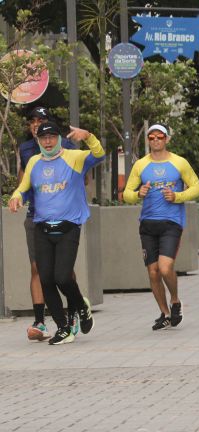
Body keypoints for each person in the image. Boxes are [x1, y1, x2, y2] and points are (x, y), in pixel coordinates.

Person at [9, 122, 105, 345]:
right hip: (42, 227)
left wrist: (88, 135)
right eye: (44, 138)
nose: (48, 141)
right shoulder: (34, 161)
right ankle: (63, 328)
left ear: (59, 139)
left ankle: (81, 306)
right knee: (46, 279)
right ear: (39, 141)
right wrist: (16, 197)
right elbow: (24, 187)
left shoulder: (74, 157)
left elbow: (99, 155)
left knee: (62, 276)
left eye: (52, 137)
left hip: (68, 226)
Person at [123, 124, 199, 330]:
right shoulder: (140, 165)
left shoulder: (179, 162)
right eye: (152, 137)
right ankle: (165, 313)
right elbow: (126, 194)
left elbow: (197, 188)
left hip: (171, 222)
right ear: (148, 140)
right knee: (153, 272)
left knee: (165, 268)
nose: (156, 140)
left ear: (167, 139)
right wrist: (137, 194)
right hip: (148, 223)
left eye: (160, 137)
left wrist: (178, 196)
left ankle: (175, 300)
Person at [17, 107, 78, 341]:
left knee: (63, 271)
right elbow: (23, 181)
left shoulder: (68, 147)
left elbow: (81, 174)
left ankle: (74, 310)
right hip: (35, 215)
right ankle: (40, 321)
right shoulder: (25, 149)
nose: (35, 124)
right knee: (38, 268)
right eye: (32, 121)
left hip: (63, 216)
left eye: (41, 120)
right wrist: (17, 196)